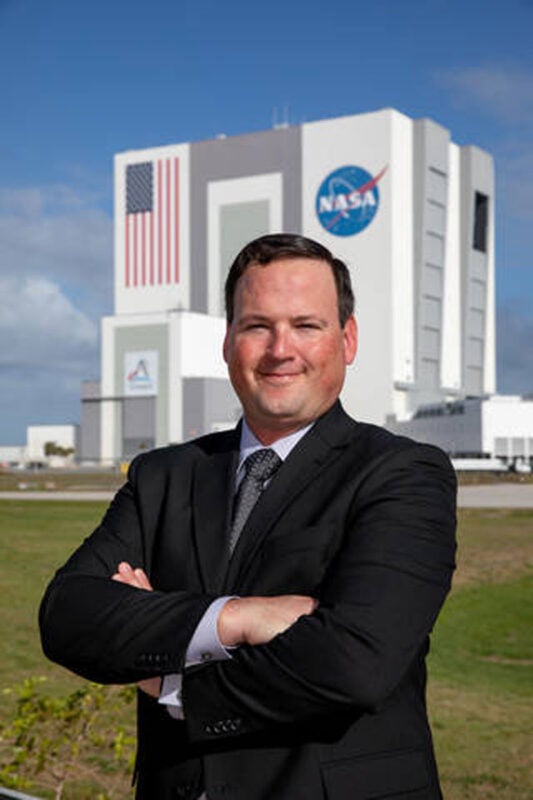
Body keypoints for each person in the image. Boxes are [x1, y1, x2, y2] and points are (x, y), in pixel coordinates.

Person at [39, 233, 457, 800]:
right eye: (257, 325)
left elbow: (355, 662)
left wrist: (171, 681)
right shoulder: (163, 475)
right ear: (229, 340)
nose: (280, 349)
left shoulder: (402, 474)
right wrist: (236, 618)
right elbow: (68, 615)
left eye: (306, 325)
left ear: (347, 338)